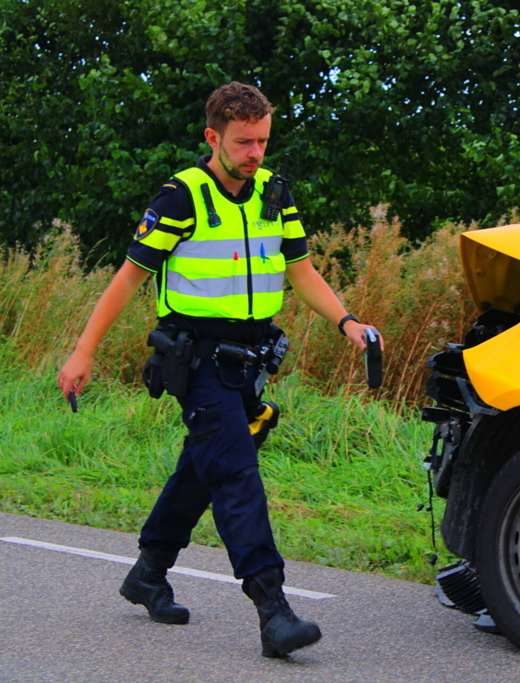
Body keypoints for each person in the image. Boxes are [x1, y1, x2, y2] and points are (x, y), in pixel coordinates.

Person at [56, 81, 381, 658]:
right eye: (244, 142)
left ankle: (148, 572)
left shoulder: (275, 194)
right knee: (234, 472)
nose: (256, 153)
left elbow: (301, 271)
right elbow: (127, 280)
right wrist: (83, 352)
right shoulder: (181, 197)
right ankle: (273, 609)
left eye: (262, 140)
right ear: (214, 137)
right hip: (196, 357)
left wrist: (347, 322)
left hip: (251, 359)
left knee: (206, 467)